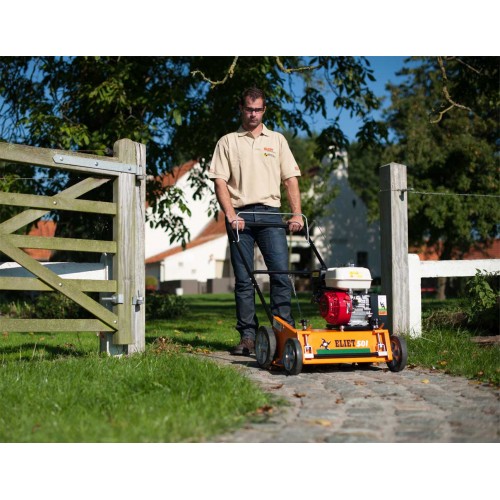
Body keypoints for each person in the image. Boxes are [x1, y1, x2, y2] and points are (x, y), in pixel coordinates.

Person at [208, 86, 304, 355]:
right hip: (240, 217)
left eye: (258, 109)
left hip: (271, 214)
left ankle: (283, 332)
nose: (253, 114)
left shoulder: (277, 140)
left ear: (264, 110)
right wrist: (230, 214)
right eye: (249, 109)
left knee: (280, 275)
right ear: (241, 108)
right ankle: (248, 337)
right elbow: (219, 182)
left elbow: (290, 179)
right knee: (244, 280)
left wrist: (296, 213)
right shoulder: (227, 142)